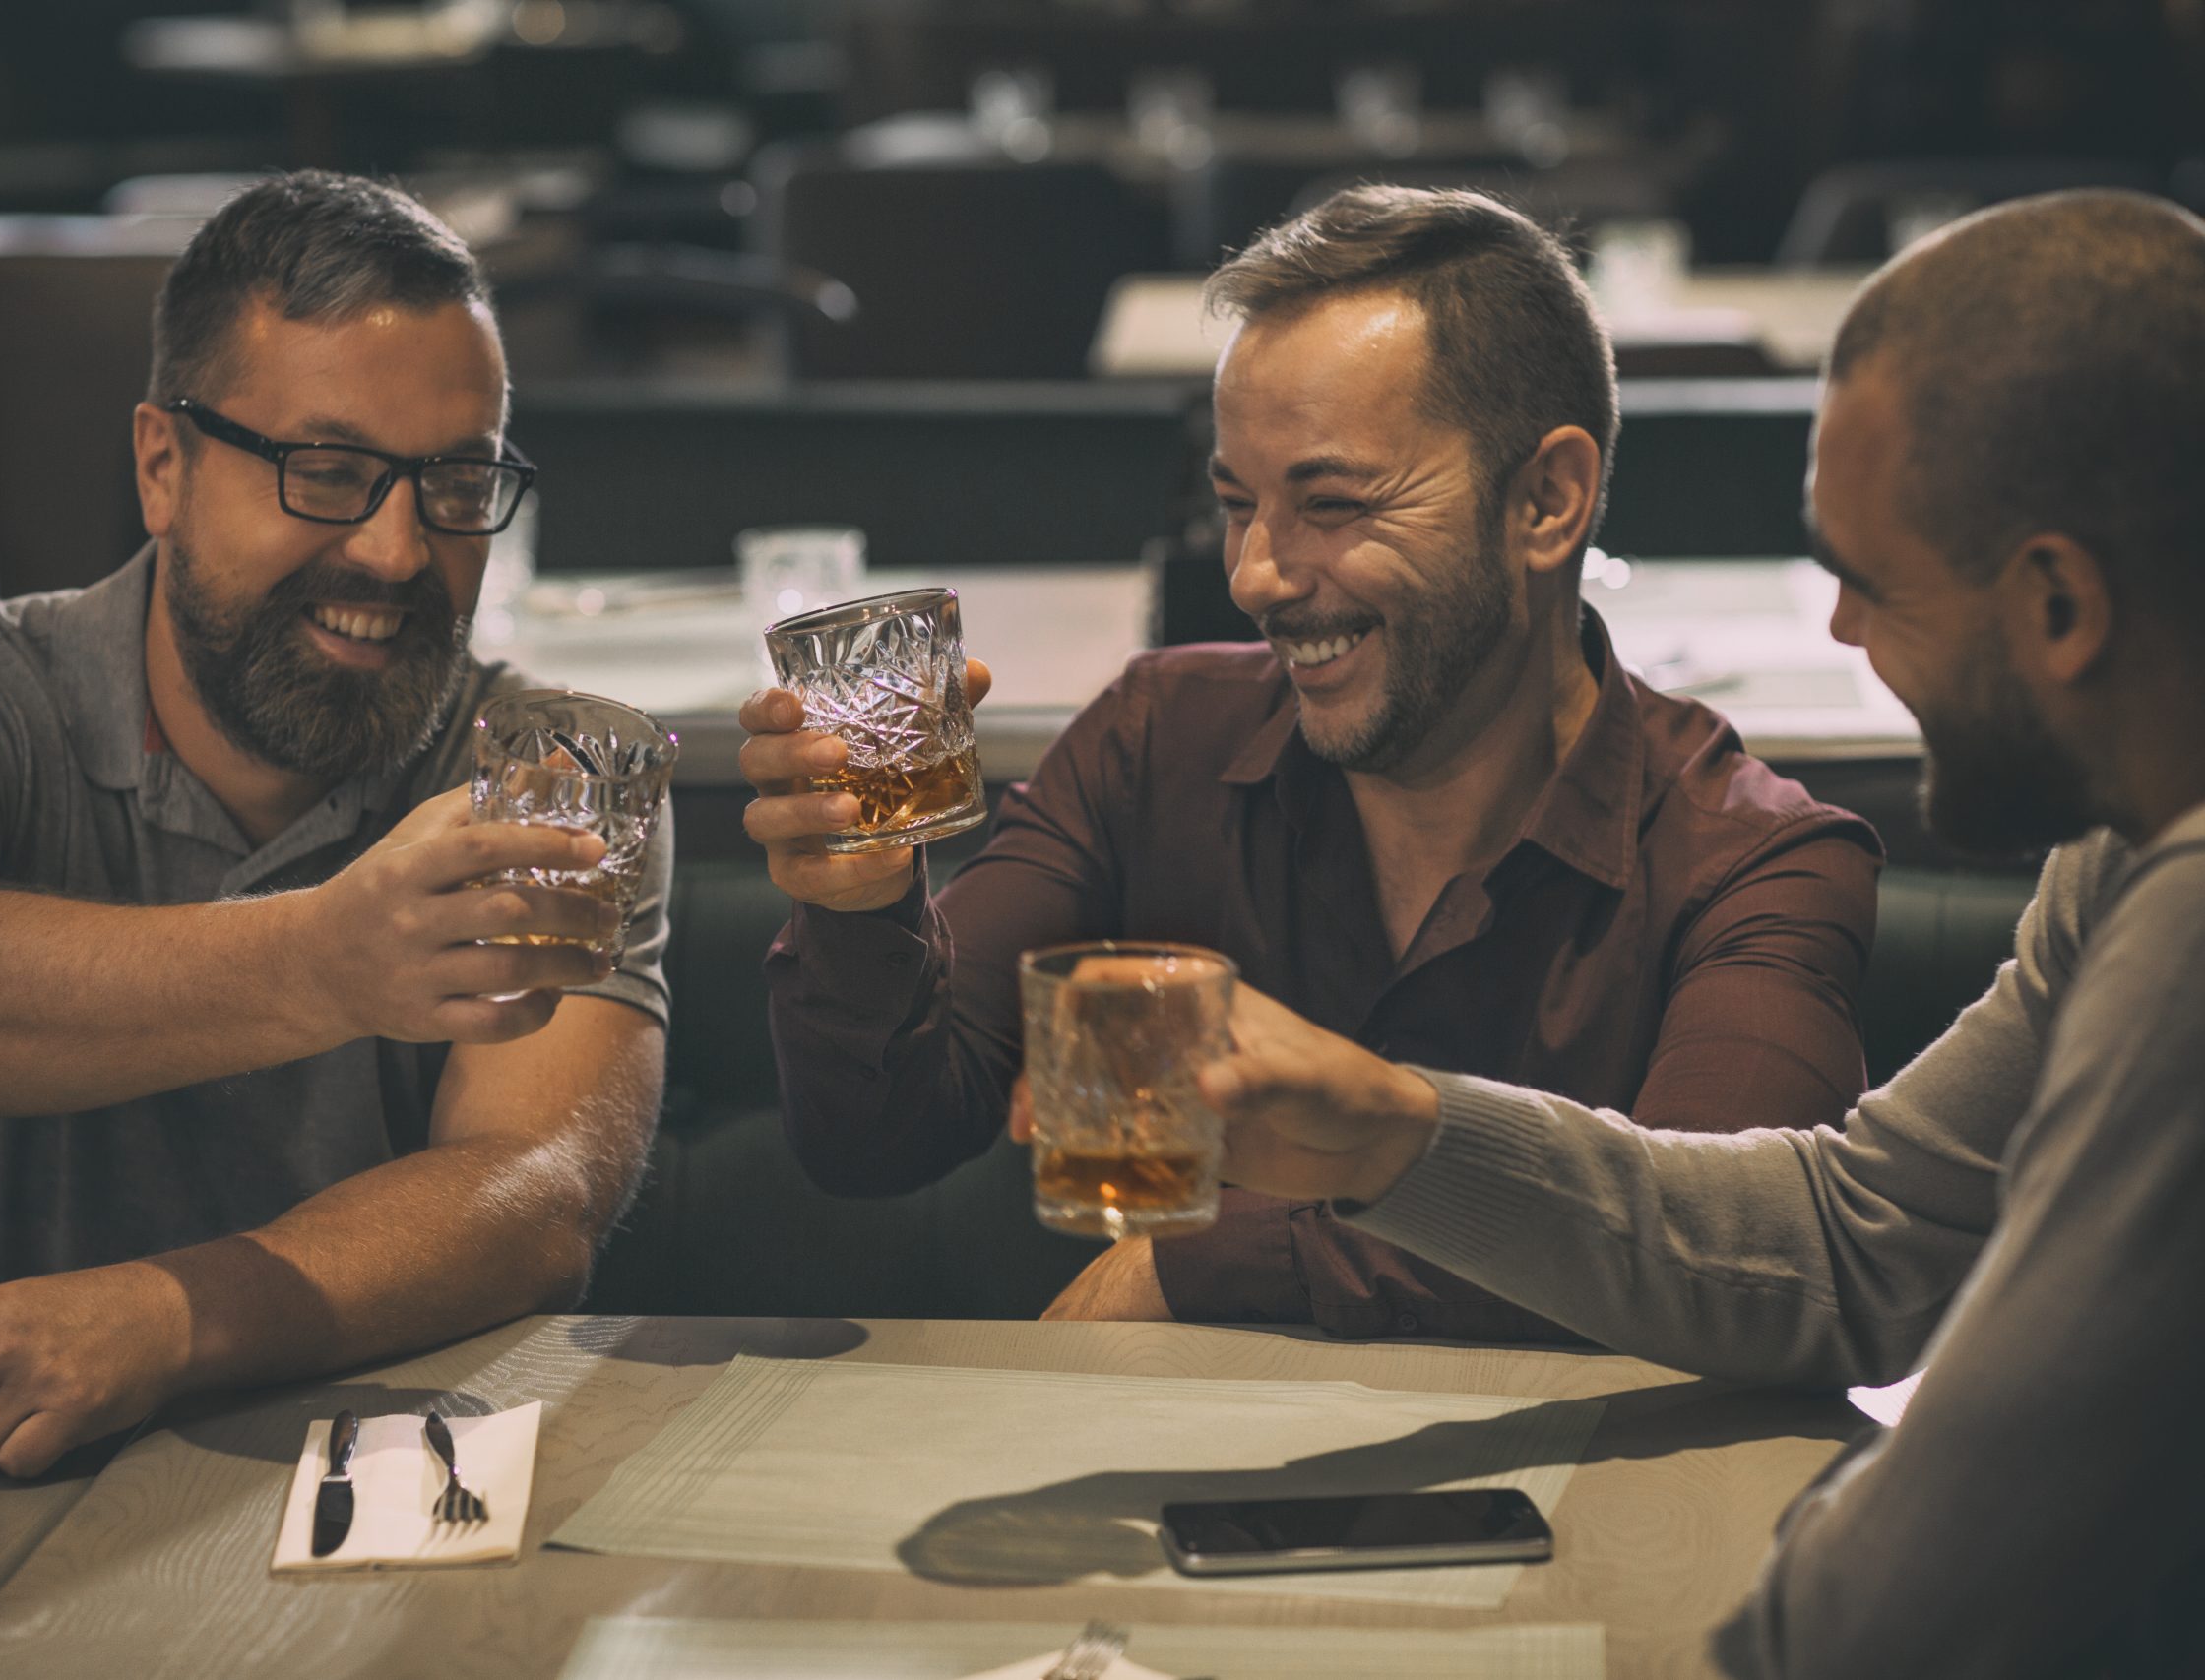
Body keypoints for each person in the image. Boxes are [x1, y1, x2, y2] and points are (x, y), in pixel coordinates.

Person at [1178, 190, 2205, 1677]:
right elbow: (1854, 1241)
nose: (1841, 631)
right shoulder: (2127, 844)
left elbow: (1947, 1564)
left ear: (2057, 600)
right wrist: (1391, 1135)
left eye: (1870, 577)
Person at [741, 185, 1879, 1337]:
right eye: (1237, 504)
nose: (1255, 576)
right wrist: (863, 909)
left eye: (1330, 503)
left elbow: (1726, 1268)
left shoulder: (1753, 864)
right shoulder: (1158, 741)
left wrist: (1195, 1263)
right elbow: (876, 1141)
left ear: (1546, 500)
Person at [0, 172, 671, 1484]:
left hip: (389, 1494)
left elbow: (533, 1188)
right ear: (162, 463)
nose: (394, 549)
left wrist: (169, 1313)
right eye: (325, 472)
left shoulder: (557, 766)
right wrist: (325, 960)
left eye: (456, 482)